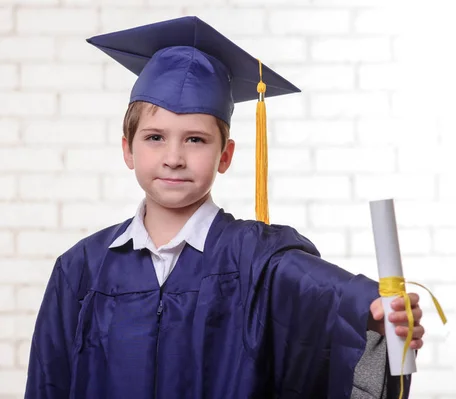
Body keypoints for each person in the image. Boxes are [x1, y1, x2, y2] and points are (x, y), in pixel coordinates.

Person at [24, 16, 426, 399]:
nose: (174, 157)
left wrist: (374, 313)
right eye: (155, 137)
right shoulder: (80, 270)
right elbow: (49, 383)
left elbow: (326, 296)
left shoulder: (261, 260)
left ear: (226, 155)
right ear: (128, 149)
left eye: (196, 140)